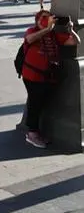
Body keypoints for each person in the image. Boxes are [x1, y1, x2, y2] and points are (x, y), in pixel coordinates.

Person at [20, 12, 80, 148]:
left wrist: (71, 30)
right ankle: (32, 134)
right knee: (35, 103)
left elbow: (75, 42)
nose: (47, 20)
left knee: (40, 102)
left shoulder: (54, 35)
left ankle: (36, 131)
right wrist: (46, 29)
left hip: (47, 77)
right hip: (31, 75)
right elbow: (29, 39)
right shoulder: (32, 30)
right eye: (44, 18)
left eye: (49, 17)